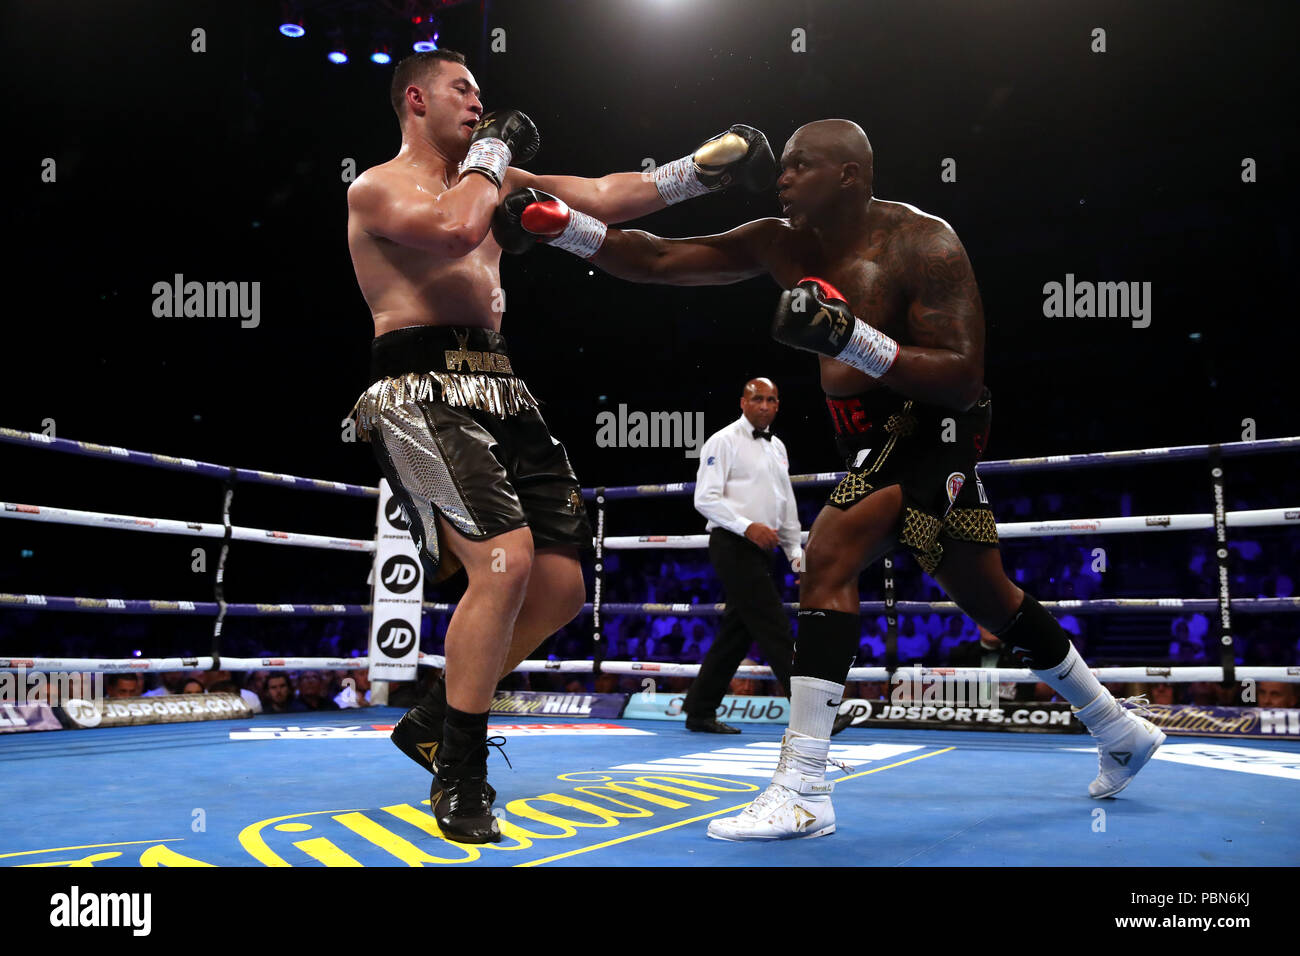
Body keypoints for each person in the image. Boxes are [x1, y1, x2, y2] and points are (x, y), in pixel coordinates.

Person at [494, 118, 1165, 842]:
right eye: (781, 166)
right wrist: (564, 230)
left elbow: (964, 377)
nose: (781, 177)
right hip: (871, 438)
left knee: (833, 548)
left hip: (934, 419)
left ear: (849, 174)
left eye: (800, 165)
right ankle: (1118, 727)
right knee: (989, 594)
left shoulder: (922, 242)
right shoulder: (782, 241)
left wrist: (851, 338)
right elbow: (659, 259)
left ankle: (804, 784)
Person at [345, 49, 777, 843]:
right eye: (460, 89)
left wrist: (706, 169)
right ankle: (461, 770)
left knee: (560, 586)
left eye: (481, 91)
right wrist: (494, 154)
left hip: (503, 386)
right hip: (418, 389)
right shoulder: (377, 187)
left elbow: (609, 197)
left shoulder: (495, 177)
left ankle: (436, 718)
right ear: (414, 99)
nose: (478, 102)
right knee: (501, 559)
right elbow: (454, 231)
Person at [684, 377, 802, 733]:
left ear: (778, 404)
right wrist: (746, 525)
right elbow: (704, 498)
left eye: (771, 399)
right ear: (743, 403)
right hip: (733, 544)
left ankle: (699, 709)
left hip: (764, 550)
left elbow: (786, 504)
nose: (765, 406)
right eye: (758, 399)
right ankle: (811, 712)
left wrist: (795, 551)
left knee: (737, 634)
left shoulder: (778, 447)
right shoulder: (722, 441)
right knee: (774, 625)